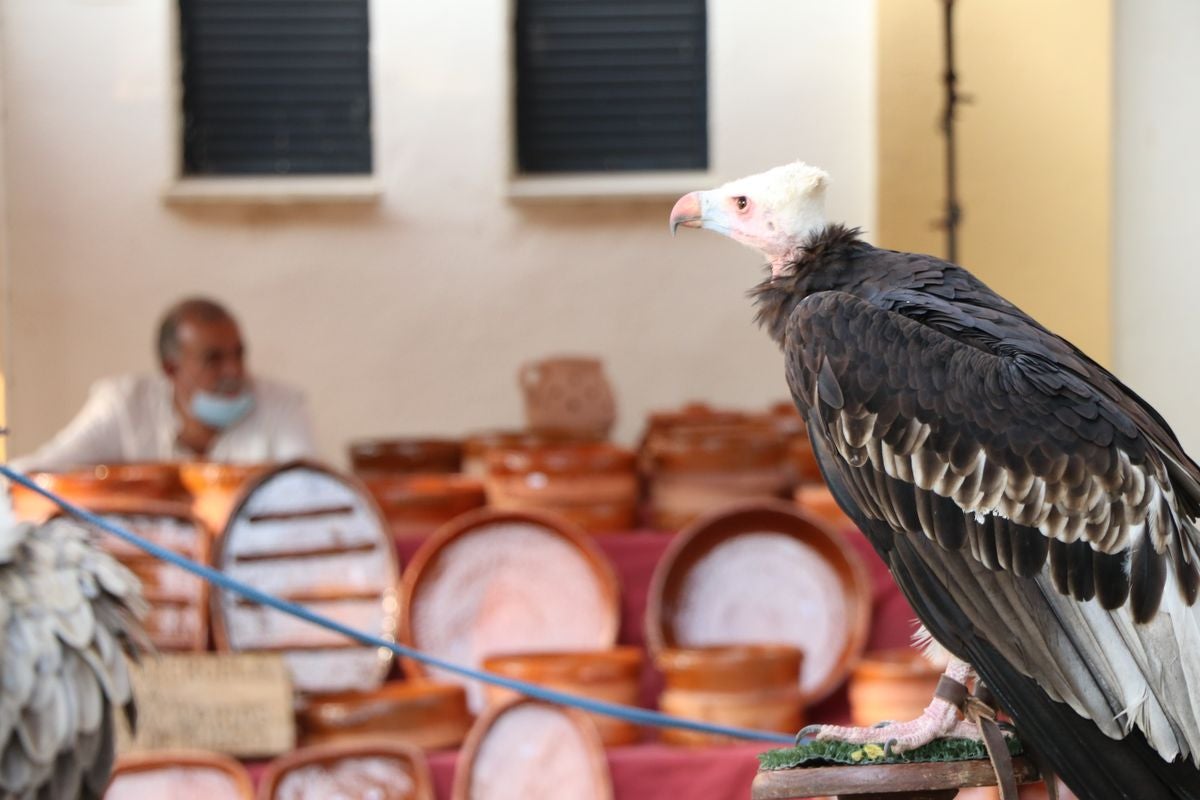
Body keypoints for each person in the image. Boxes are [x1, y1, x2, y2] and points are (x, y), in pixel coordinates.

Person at [9, 297, 316, 471]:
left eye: (238, 354)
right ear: (171, 368)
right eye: (214, 359)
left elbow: (309, 492)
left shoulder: (283, 406)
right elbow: (44, 469)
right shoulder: (124, 405)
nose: (234, 371)